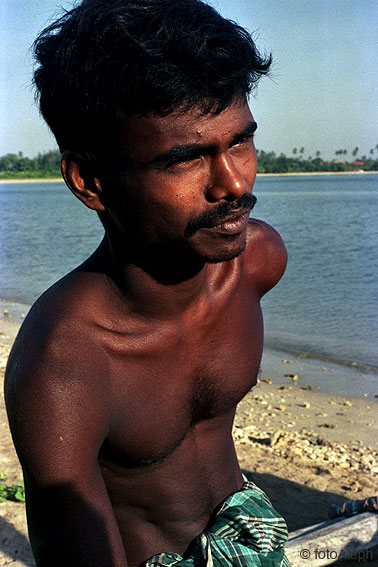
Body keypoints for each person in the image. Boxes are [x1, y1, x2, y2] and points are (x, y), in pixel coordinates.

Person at [5, 0, 290, 565]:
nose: (233, 184)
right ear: (90, 181)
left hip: (253, 532)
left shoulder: (256, 262)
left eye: (240, 142)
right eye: (184, 160)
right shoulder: (65, 361)